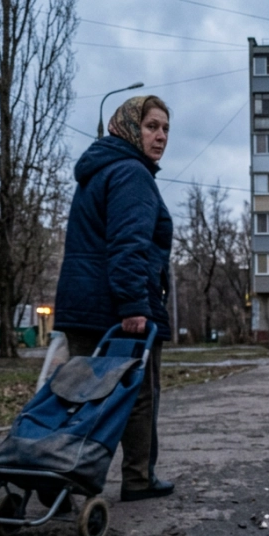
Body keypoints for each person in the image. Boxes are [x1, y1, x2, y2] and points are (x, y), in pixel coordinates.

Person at [52, 95, 175, 502]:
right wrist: (134, 306)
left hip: (82, 304)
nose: (160, 136)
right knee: (138, 395)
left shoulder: (97, 172)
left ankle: (55, 476)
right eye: (151, 126)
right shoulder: (131, 174)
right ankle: (138, 478)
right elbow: (128, 245)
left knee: (77, 395)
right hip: (118, 308)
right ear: (126, 127)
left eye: (165, 129)